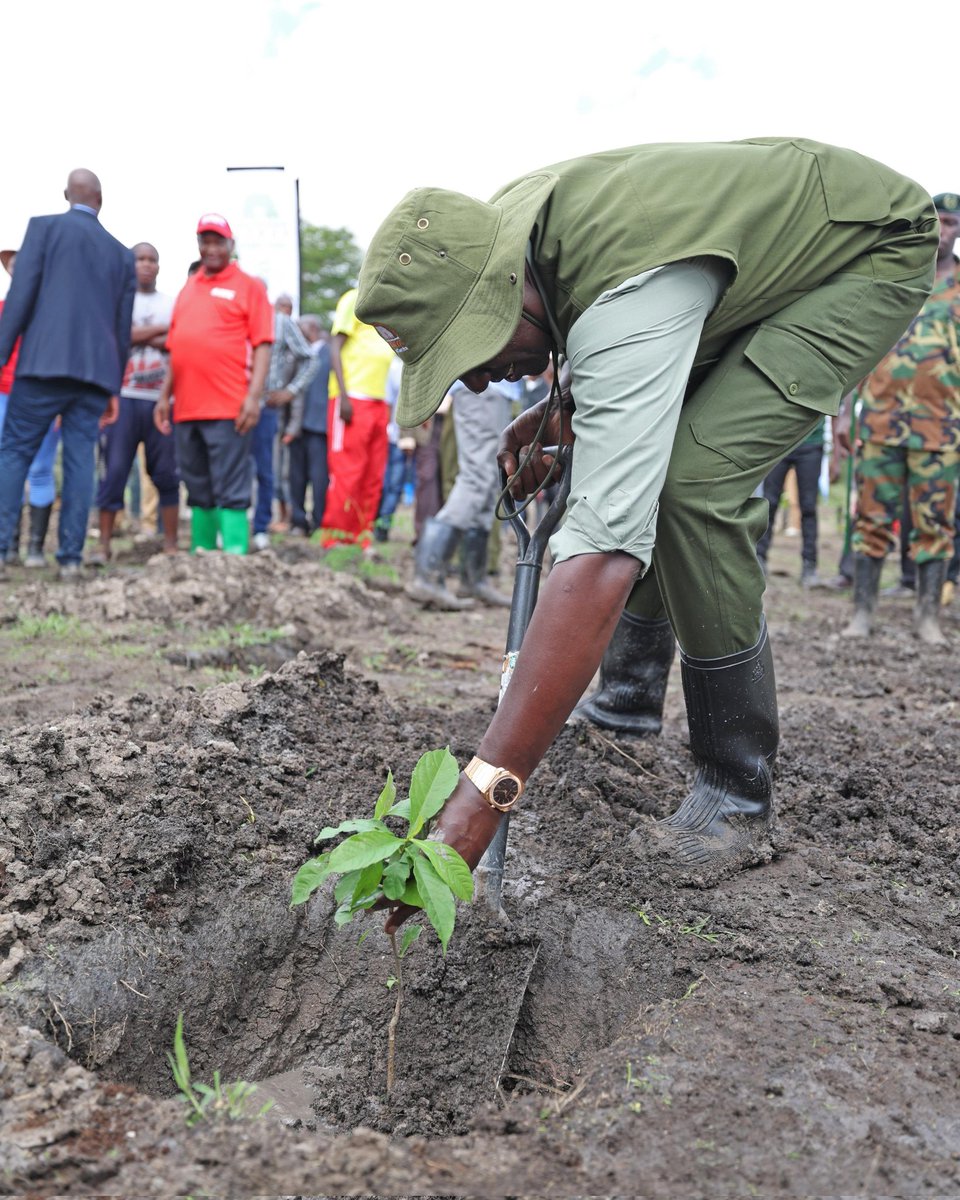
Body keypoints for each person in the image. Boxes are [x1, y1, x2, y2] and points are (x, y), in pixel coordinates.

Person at [355, 137, 936, 906]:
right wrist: (563, 406)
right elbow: (584, 316)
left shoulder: (626, 293)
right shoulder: (498, 239)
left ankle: (733, 793)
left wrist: (477, 803)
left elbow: (600, 559)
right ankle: (624, 710)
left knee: (693, 486)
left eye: (470, 350)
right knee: (636, 476)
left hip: (863, 252)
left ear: (505, 295)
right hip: (736, 266)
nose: (470, 379)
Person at [0, 169, 135, 580]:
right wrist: (114, 384)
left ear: (66, 195)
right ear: (100, 200)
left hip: (42, 365)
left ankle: (3, 551)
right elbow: (122, 327)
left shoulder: (43, 229)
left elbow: (20, 297)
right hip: (94, 375)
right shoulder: (121, 253)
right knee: (80, 462)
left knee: (15, 452)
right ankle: (71, 560)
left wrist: (2, 354)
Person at [841, 192, 960, 645]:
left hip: (942, 428)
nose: (943, 231)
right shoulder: (893, 278)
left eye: (951, 223)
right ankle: (862, 614)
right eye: (937, 222)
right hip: (880, 420)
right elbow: (859, 344)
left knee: (935, 524)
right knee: (870, 518)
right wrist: (842, 413)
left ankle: (927, 618)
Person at [154, 214, 273, 555]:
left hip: (229, 405)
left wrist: (254, 398)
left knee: (232, 483)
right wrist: (165, 397)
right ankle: (201, 555)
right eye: (204, 241)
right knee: (196, 484)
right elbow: (178, 347)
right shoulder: (188, 289)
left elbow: (264, 343)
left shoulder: (249, 287)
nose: (211, 248)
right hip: (187, 408)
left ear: (230, 245)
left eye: (217, 241)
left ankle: (234, 556)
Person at [91, 242, 179, 562]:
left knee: (166, 474)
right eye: (139, 259)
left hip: (160, 400)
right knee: (114, 472)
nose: (145, 264)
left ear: (159, 265)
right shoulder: (114, 299)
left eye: (151, 259)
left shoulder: (172, 303)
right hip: (122, 399)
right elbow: (113, 338)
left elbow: (177, 342)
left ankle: (170, 544)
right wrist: (157, 331)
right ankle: (103, 545)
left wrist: (132, 333)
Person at [409, 377, 514, 609]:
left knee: (488, 482)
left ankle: (473, 579)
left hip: (494, 390)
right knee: (476, 479)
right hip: (483, 387)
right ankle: (428, 575)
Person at [0, 247, 63, 568]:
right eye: (13, 265)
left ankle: (35, 547)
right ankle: (7, 545)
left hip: (41, 398)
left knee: (40, 469)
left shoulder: (50, 314)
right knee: (6, 468)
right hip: (4, 397)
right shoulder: (1, 309)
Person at [321, 286, 394, 546]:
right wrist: (343, 395)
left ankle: (361, 537)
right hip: (353, 399)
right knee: (347, 472)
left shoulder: (389, 309)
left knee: (373, 474)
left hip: (379, 402)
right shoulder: (354, 299)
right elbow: (335, 347)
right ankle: (337, 537)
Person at [250, 293, 317, 550]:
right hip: (231, 403)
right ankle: (229, 526)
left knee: (266, 469)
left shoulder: (280, 322)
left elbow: (310, 359)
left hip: (267, 406)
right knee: (231, 468)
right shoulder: (233, 316)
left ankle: (260, 528)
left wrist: (290, 390)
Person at [755, 418, 826, 586]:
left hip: (812, 443)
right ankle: (759, 559)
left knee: (808, 507)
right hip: (780, 441)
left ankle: (809, 566)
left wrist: (837, 452)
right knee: (769, 503)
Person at [288, 315, 331, 535]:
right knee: (295, 476)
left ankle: (319, 521)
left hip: (320, 426)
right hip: (296, 428)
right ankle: (297, 520)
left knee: (319, 477)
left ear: (312, 328)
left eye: (300, 328)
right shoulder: (296, 354)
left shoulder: (330, 355)